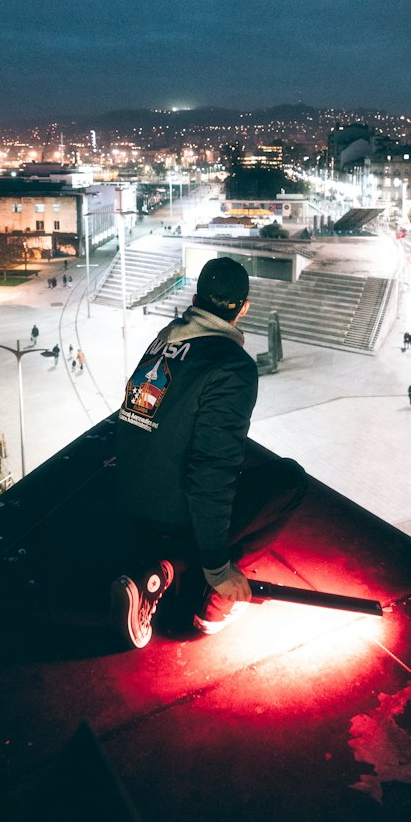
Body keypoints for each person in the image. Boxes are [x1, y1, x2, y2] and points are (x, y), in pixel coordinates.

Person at [110, 257, 307, 649]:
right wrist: (217, 567)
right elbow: (211, 470)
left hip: (128, 493)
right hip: (168, 511)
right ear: (243, 309)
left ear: (196, 299)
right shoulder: (232, 365)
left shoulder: (165, 339)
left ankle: (165, 570)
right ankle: (213, 599)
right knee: (289, 481)